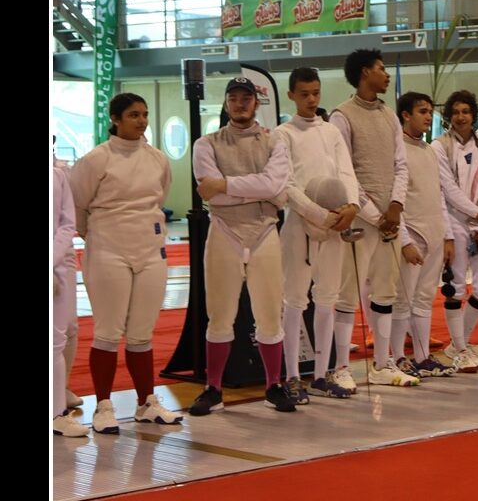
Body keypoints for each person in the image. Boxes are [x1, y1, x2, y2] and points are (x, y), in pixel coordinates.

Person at [71, 93, 183, 432]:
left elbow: (159, 197)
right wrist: (97, 237)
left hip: (150, 249)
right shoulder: (96, 160)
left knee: (142, 333)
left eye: (145, 114)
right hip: (107, 249)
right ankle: (103, 406)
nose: (142, 120)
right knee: (107, 331)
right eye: (134, 114)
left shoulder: (158, 159)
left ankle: (146, 402)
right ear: (116, 118)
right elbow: (77, 205)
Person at [189, 77, 296, 415]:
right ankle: (214, 388)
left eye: (246, 98)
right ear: (225, 104)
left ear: (256, 103)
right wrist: (257, 189)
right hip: (224, 231)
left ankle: (273, 386)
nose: (240, 104)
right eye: (233, 98)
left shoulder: (273, 140)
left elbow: (275, 183)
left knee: (269, 313)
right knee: (219, 315)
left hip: (264, 231)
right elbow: (209, 191)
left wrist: (227, 185)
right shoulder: (206, 144)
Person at [329, 49, 418, 387]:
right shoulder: (342, 116)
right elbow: (345, 172)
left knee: (385, 292)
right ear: (365, 73)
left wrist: (395, 206)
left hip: (390, 221)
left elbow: (401, 165)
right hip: (359, 221)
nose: (387, 74)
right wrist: (374, 215)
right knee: (347, 293)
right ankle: (340, 368)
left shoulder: (389, 116)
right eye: (382, 69)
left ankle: (382, 365)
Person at [273, 67, 360, 403]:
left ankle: (322, 374)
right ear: (292, 95)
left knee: (327, 297)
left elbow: (346, 172)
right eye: (304, 94)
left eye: (316, 93)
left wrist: (350, 206)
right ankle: (293, 376)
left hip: (337, 223)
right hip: (300, 224)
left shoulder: (331, 132)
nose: (311, 100)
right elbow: (286, 183)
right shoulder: (283, 134)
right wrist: (317, 214)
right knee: (294, 299)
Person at [434, 90, 478, 372]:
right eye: (456, 112)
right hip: (455, 221)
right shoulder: (440, 147)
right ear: (450, 116)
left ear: (474, 115)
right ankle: (461, 348)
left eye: (466, 111)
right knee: (457, 287)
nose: (461, 117)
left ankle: (456, 343)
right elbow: (448, 189)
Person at [394, 91, 457, 378]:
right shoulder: (397, 151)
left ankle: (421, 357)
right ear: (406, 115)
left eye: (429, 111)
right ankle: (396, 358)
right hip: (412, 236)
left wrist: (447, 235)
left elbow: (439, 195)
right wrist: (404, 240)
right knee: (402, 300)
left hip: (433, 234)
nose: (427, 117)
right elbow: (394, 200)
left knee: (422, 300)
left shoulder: (430, 150)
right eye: (421, 111)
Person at [53, 156, 87, 437]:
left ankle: (58, 396)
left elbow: (67, 223)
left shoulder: (59, 173)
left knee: (65, 330)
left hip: (60, 260)